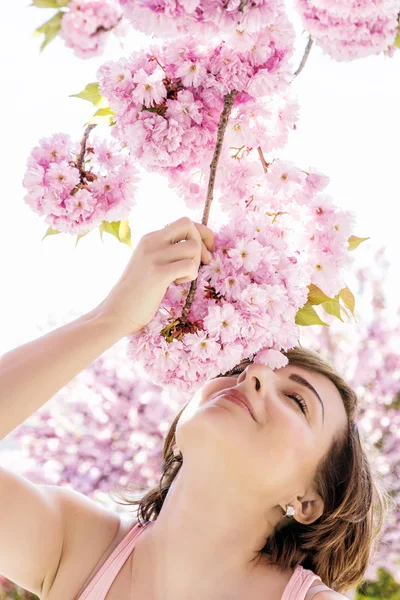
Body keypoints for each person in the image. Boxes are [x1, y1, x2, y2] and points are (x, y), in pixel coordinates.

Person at [0, 217, 388, 600]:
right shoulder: (76, 547)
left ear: (306, 502)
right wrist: (112, 318)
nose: (253, 375)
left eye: (296, 400)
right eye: (238, 368)